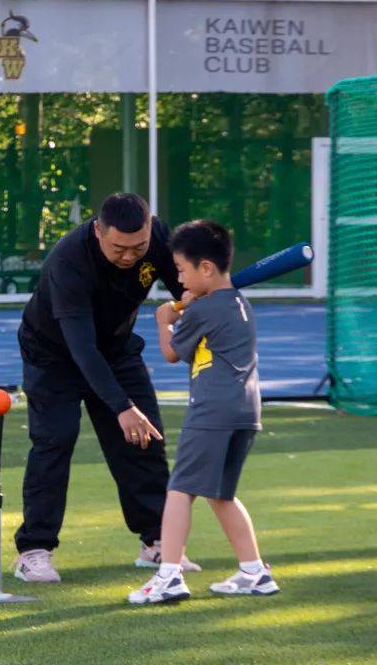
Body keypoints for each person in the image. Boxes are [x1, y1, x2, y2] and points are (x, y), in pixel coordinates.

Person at [13, 193, 201, 583]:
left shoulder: (158, 237)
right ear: (98, 231)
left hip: (116, 348)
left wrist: (195, 297)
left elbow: (182, 285)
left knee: (145, 439)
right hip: (54, 355)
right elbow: (82, 350)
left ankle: (157, 541)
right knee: (55, 440)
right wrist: (121, 407)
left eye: (138, 247)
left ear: (150, 227)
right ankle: (34, 550)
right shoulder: (69, 261)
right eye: (119, 248)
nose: (129, 256)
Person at [128, 219, 278, 604]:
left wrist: (165, 321)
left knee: (179, 489)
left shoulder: (202, 310)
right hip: (245, 412)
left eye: (181, 270)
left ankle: (169, 575)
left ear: (206, 268)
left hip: (211, 410)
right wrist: (190, 311)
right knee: (221, 494)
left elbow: (171, 352)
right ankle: (254, 571)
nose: (179, 279)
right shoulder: (239, 304)